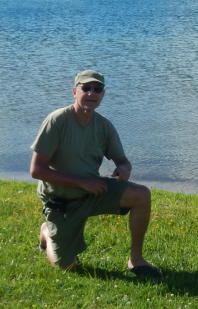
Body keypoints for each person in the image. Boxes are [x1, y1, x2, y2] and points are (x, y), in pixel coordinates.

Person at [30, 70, 162, 278]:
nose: (92, 93)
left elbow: (123, 161)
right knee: (67, 266)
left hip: (92, 192)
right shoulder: (56, 121)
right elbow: (36, 170)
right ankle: (47, 231)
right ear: (75, 92)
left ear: (103, 94)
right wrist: (82, 182)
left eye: (97, 89)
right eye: (86, 88)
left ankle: (136, 260)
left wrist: (124, 169)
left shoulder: (104, 125)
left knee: (141, 194)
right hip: (62, 201)